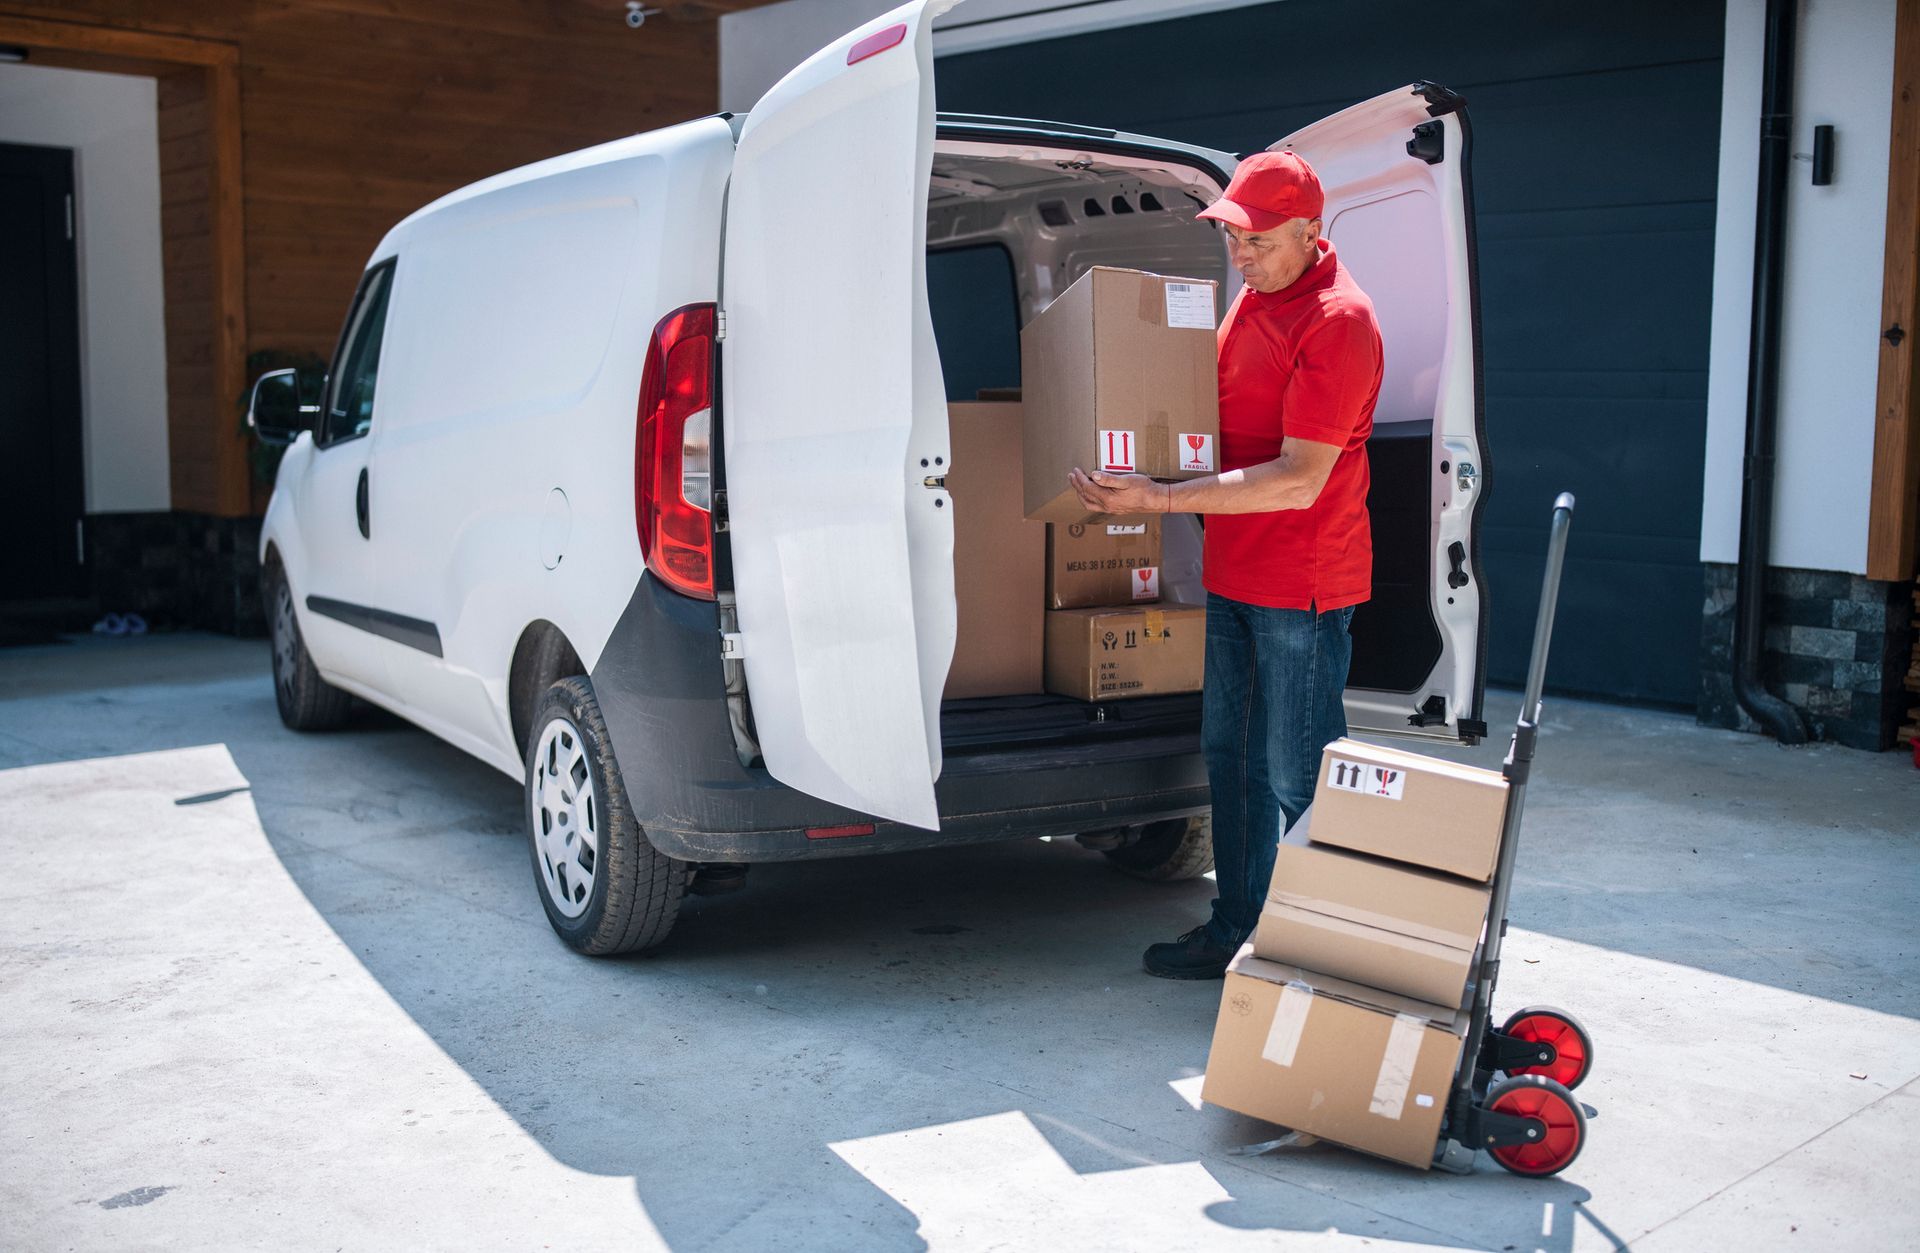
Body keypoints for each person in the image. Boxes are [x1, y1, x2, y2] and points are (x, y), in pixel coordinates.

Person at [1069, 150, 1383, 980]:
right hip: (1236, 573)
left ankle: (1334, 957)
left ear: (1311, 233)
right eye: (1233, 239)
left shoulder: (1339, 321)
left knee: (1299, 770)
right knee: (1230, 756)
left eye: (1256, 242)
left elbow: (1299, 475)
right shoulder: (1255, 298)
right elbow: (1190, 394)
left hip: (1303, 585)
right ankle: (1238, 927)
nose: (1239, 257)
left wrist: (1161, 501)